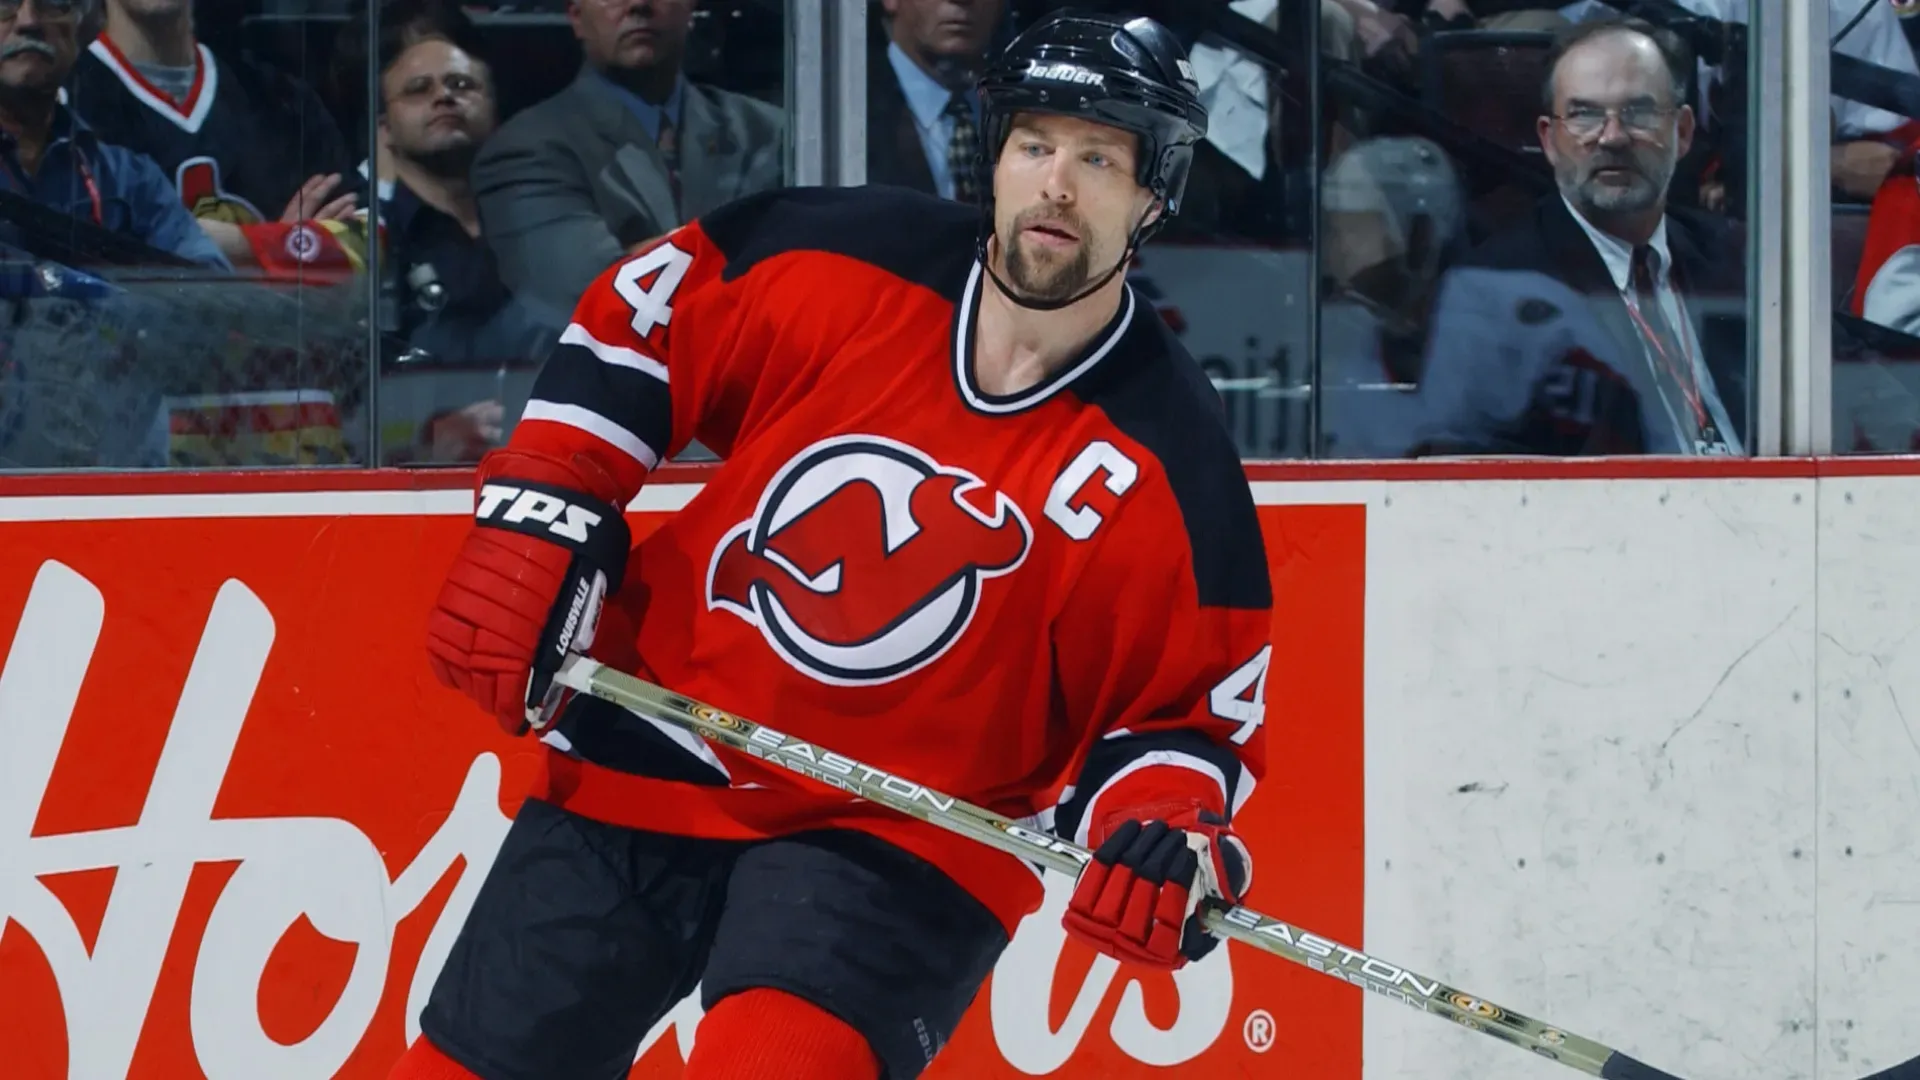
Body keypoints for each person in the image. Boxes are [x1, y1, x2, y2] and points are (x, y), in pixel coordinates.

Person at [397, 11, 1271, 1080]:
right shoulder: (842, 261)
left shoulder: (1169, 460)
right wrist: (548, 504)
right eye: (1035, 145)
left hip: (908, 831)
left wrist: (1161, 838)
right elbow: (643, 320)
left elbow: (1181, 718)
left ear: (1152, 197)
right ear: (994, 157)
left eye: (1099, 158)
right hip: (662, 738)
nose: (1056, 184)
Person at [1457, 16, 1746, 456]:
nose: (1612, 136)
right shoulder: (1494, 288)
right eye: (1584, 114)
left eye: (1639, 112)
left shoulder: (1730, 257)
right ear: (1549, 140)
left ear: (1683, 132)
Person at [470, 0, 785, 329]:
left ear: (690, 8)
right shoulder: (522, 148)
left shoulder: (771, 132)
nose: (638, 5)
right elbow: (603, 296)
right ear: (577, 17)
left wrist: (645, 255)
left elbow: (810, 265)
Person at [0, 0, 224, 267]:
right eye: (5, 4)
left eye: (55, 4)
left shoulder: (128, 181)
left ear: (83, 28)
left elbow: (214, 287)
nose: (29, 22)